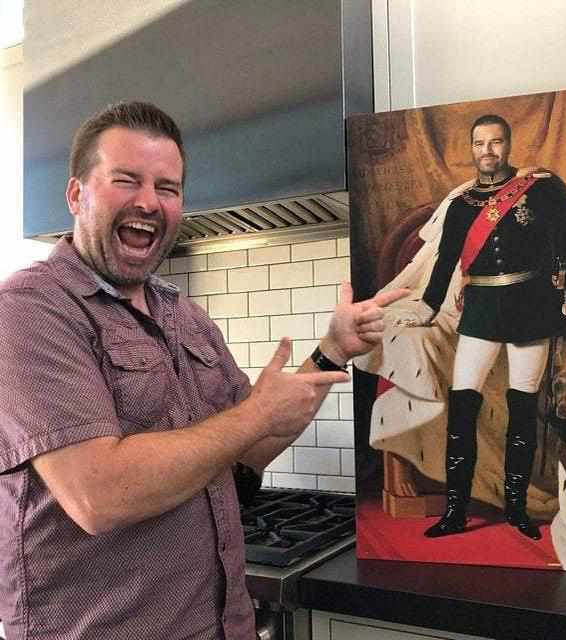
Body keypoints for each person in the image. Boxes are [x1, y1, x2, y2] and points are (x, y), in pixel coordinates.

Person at [0, 101, 408, 640]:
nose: (149, 201)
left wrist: (332, 349)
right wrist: (256, 414)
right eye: (126, 180)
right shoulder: (31, 311)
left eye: (167, 188)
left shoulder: (183, 315)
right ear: (76, 195)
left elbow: (247, 446)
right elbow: (98, 494)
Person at [395, 114, 566, 540]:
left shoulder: (538, 189)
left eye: (496, 142)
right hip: (481, 311)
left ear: (508, 144)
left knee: (522, 411)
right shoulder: (461, 204)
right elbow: (446, 261)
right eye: (479, 143)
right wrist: (429, 307)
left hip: (531, 309)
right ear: (472, 148)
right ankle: (455, 511)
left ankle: (516, 510)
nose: (488, 150)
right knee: (462, 409)